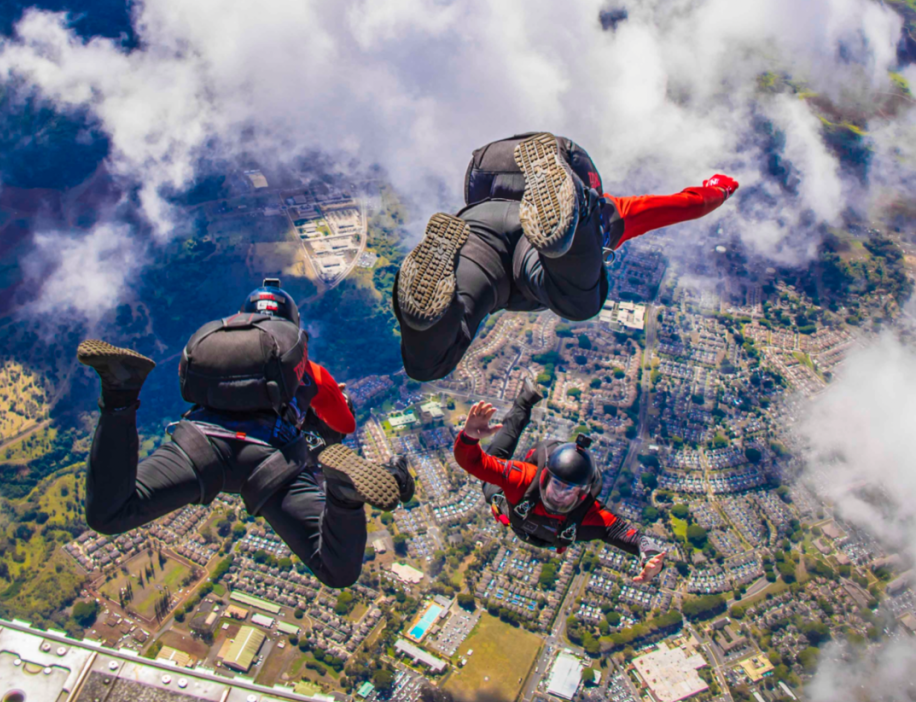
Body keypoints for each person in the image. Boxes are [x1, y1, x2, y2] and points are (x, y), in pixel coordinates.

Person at [77, 279, 413, 589]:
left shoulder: (221, 355)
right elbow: (344, 425)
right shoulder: (311, 372)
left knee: (109, 513)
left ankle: (121, 392)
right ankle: (342, 494)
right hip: (271, 458)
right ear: (292, 330)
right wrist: (334, 404)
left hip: (201, 442)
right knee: (336, 569)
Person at [394, 131, 739, 381]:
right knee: (579, 303)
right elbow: (686, 205)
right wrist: (719, 189)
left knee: (426, 363)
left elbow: (686, 206)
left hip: (475, 227)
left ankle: (429, 305)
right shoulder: (615, 211)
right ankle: (573, 221)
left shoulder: (482, 198)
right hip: (531, 251)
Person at [455, 379, 665, 582]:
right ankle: (524, 402)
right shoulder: (523, 479)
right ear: (544, 478)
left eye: (570, 490)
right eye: (557, 484)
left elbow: (634, 538)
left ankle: (525, 402)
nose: (560, 494)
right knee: (496, 462)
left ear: (583, 494)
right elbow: (474, 463)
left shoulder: (589, 512)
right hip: (518, 515)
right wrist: (470, 437)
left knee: (494, 474)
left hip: (526, 524)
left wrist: (649, 556)